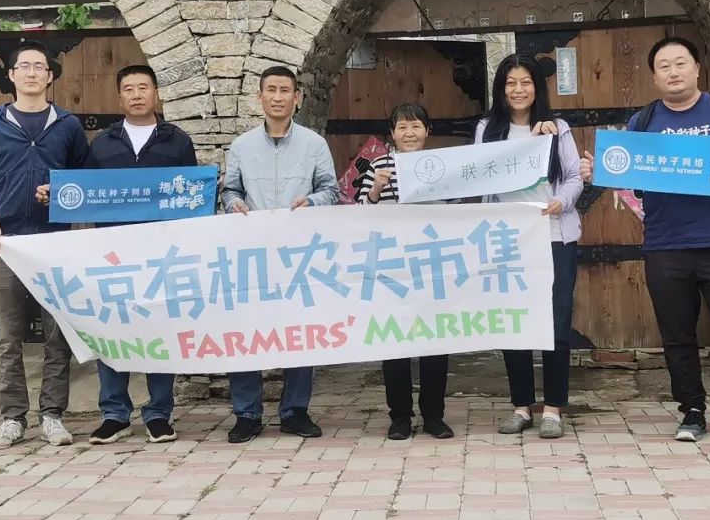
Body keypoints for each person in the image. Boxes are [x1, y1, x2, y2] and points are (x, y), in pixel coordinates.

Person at [580, 36, 710, 444]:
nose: (673, 72)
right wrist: (600, 173)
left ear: (697, 68)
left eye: (681, 63)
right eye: (664, 66)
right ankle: (692, 411)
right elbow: (631, 182)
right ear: (654, 77)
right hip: (665, 246)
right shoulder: (643, 122)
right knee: (677, 335)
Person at [37, 64, 197, 446]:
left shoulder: (178, 141)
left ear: (156, 94)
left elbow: (192, 196)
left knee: (160, 330)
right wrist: (55, 195)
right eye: (129, 89)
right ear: (119, 97)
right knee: (112, 330)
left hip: (161, 256)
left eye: (143, 87)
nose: (137, 95)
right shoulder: (102, 144)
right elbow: (85, 192)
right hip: (113, 257)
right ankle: (114, 414)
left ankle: (159, 414)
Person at [0, 40, 89, 450]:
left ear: (50, 76)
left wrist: (58, 194)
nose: (33, 72)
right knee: (9, 336)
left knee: (57, 334)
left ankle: (53, 414)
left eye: (40, 66)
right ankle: (12, 418)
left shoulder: (68, 125)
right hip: (8, 244)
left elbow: (84, 183)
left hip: (55, 244)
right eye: (25, 66)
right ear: (12, 75)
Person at [220, 65, 340, 444]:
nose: (277, 97)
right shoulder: (241, 146)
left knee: (299, 330)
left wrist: (312, 202)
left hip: (298, 254)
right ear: (259, 97)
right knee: (246, 330)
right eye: (270, 90)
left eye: (284, 90)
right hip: (251, 254)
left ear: (296, 98)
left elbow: (331, 190)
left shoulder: (314, 144)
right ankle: (247, 413)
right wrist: (234, 204)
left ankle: (294, 410)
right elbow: (229, 191)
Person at [476, 53, 584, 440]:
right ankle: (521, 406)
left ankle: (553, 408)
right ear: (500, 89)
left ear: (537, 87)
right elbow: (479, 177)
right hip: (507, 239)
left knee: (556, 322)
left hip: (553, 235)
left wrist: (562, 201)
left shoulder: (559, 128)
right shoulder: (488, 128)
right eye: (510, 83)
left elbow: (574, 177)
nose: (518, 90)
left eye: (525, 82)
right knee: (514, 322)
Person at [356, 102, 453, 441]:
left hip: (432, 263)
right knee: (394, 342)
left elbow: (460, 213)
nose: (409, 133)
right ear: (392, 134)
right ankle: (399, 416)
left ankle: (434, 415)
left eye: (416, 126)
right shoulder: (378, 165)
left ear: (428, 131)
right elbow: (357, 215)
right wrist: (375, 190)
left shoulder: (442, 166)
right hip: (391, 267)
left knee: (435, 341)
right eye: (402, 127)